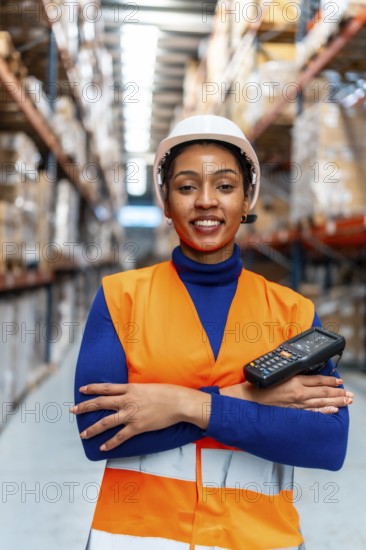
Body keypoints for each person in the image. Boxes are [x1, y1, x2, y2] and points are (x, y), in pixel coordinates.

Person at [71, 115, 351, 550]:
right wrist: (246, 398)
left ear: (246, 200)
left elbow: (326, 443)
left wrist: (183, 403)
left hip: (257, 540)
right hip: (137, 540)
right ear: (165, 202)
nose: (206, 201)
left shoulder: (293, 312)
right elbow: (100, 434)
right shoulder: (120, 298)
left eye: (224, 186)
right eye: (186, 187)